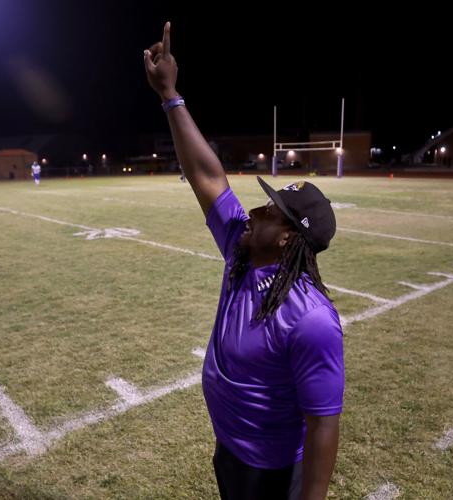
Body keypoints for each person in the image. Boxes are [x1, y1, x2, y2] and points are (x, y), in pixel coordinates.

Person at [144, 22, 343, 500]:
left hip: (272, 474)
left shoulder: (313, 320)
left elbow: (322, 426)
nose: (253, 211)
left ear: (291, 242)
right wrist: (171, 95)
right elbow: (207, 176)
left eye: (270, 212)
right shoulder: (242, 250)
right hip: (230, 451)